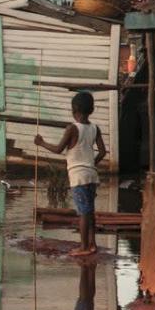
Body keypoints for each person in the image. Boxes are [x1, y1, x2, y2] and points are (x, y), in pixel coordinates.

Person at [34, 91, 107, 256]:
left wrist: (41, 142)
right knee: (90, 211)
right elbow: (102, 152)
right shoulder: (95, 128)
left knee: (82, 212)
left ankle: (83, 247)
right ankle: (92, 244)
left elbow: (59, 149)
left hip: (78, 177)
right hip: (92, 175)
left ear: (74, 110)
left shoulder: (72, 128)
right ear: (92, 110)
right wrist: (90, 164)